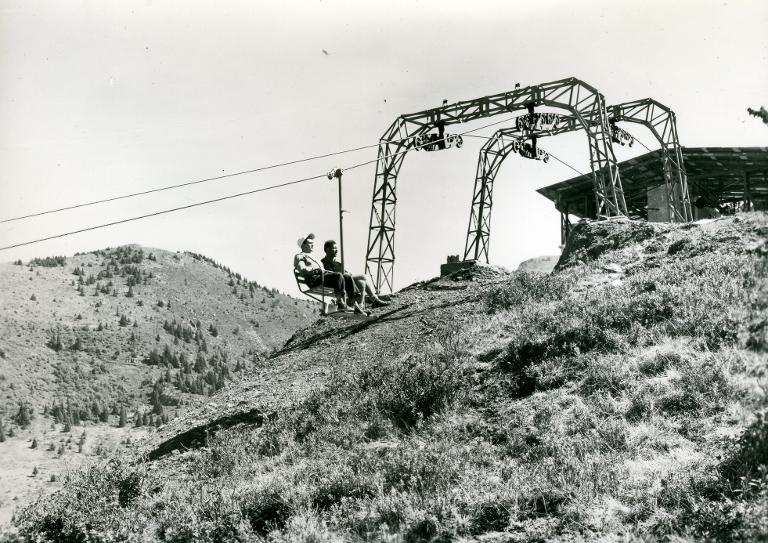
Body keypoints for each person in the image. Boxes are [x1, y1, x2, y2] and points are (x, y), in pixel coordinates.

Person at [293, 233, 364, 313]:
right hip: (314, 280)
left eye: (313, 244)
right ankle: (340, 302)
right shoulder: (300, 256)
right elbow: (302, 269)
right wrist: (315, 270)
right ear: (303, 245)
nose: (313, 246)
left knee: (346, 277)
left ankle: (353, 302)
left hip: (323, 277)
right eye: (310, 244)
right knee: (338, 275)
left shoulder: (314, 257)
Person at [321, 240, 390, 309]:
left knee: (362, 282)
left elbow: (346, 273)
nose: (337, 251)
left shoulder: (337, 262)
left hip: (347, 280)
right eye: (334, 248)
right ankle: (372, 300)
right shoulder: (324, 262)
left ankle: (362, 305)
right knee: (363, 276)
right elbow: (331, 275)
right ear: (327, 249)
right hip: (339, 282)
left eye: (337, 249)